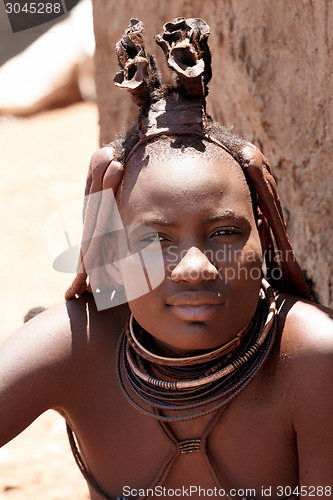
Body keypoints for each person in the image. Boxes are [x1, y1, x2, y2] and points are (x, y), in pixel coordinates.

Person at [1, 17, 333, 500]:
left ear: (263, 239)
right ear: (114, 254)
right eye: (155, 241)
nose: (195, 266)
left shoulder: (310, 362)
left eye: (223, 233)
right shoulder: (82, 345)